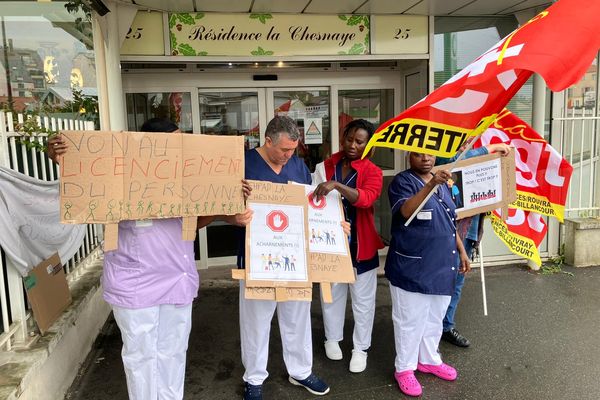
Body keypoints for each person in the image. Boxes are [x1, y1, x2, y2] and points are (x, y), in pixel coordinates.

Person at [48, 118, 253, 400]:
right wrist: (62, 159)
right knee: (141, 356)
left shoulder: (185, 177)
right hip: (135, 282)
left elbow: (189, 222)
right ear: (153, 145)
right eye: (175, 141)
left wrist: (226, 204)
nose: (182, 147)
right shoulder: (119, 175)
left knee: (173, 352)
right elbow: (86, 180)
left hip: (177, 278)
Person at [237, 115, 330, 400]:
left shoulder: (298, 165)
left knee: (297, 317)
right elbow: (221, 203)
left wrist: (333, 224)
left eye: (293, 150)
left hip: (294, 256)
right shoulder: (242, 163)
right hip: (256, 256)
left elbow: (309, 206)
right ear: (267, 141)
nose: (288, 156)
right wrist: (233, 209)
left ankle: (300, 370)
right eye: (284, 151)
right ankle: (253, 378)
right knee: (256, 320)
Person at [386, 152, 470, 397]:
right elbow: (405, 211)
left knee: (434, 318)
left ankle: (429, 359)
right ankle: (404, 368)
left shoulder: (443, 181)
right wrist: (432, 184)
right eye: (418, 154)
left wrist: (462, 250)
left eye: (430, 154)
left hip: (443, 264)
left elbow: (448, 220)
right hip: (412, 267)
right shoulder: (402, 182)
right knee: (410, 322)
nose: (425, 158)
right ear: (408, 156)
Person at [311, 119, 385, 373]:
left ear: (368, 144)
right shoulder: (326, 165)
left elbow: (365, 199)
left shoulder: (372, 171)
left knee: (363, 301)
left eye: (359, 141)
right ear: (342, 138)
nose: (353, 145)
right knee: (331, 294)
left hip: (360, 244)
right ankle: (332, 338)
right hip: (329, 241)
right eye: (349, 139)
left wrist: (337, 185)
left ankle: (360, 349)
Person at [436, 142, 510, 348]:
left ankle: (446, 326)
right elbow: (449, 163)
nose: (467, 142)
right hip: (443, 231)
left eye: (470, 139)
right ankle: (431, 327)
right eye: (464, 138)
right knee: (438, 280)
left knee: (457, 281)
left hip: (468, 231)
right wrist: (490, 148)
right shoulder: (442, 153)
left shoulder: (477, 157)